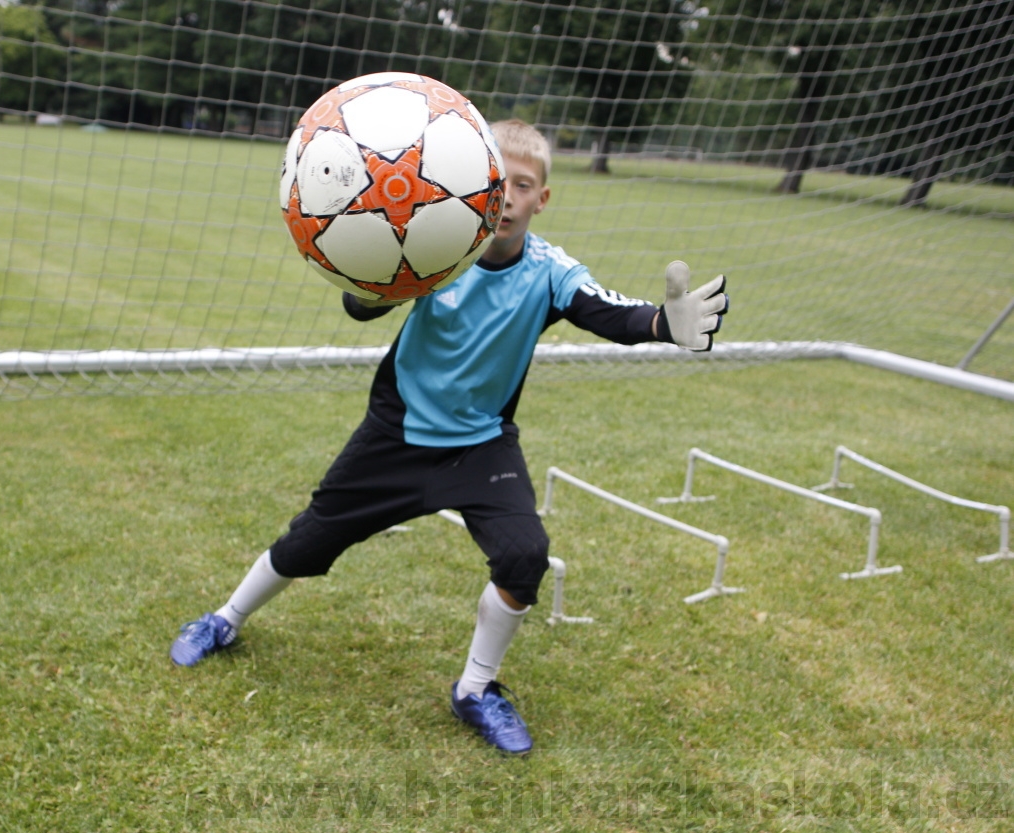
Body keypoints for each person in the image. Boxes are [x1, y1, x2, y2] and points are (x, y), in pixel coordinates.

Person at [170, 118, 728, 755]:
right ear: (477, 186)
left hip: (480, 444)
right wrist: (382, 265)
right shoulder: (438, 250)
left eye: (525, 186)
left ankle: (475, 690)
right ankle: (225, 620)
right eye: (501, 184)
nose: (511, 197)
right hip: (397, 435)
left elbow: (609, 311)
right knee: (307, 544)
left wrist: (664, 322)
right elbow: (362, 304)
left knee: (524, 557)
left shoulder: (550, 270)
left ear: (541, 198)